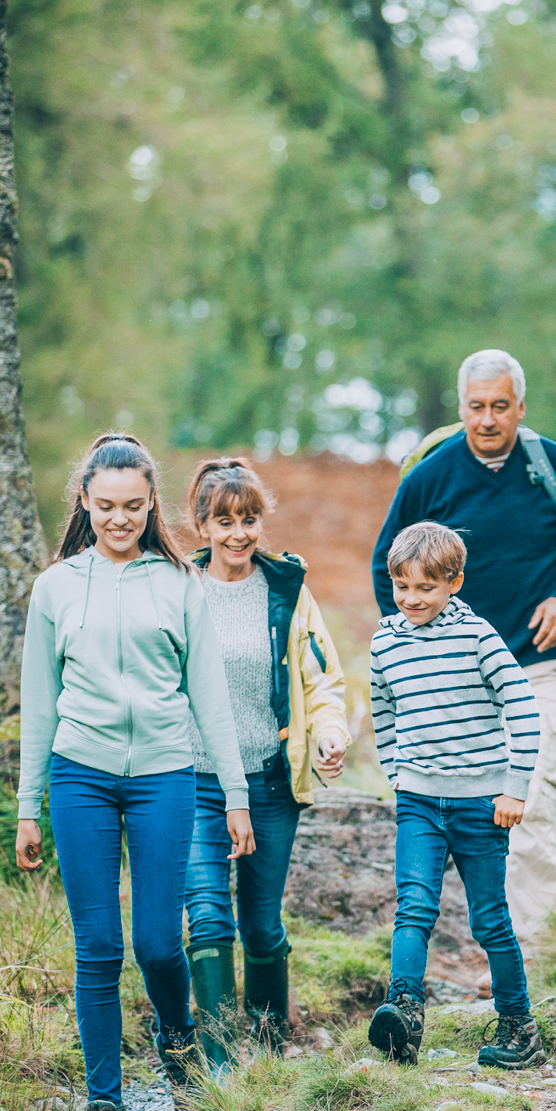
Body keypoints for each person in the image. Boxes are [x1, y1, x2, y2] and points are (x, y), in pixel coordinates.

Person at [14, 433, 253, 1111]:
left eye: (134, 506)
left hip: (163, 775)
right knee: (97, 948)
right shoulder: (55, 588)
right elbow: (39, 703)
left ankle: (175, 1035)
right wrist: (28, 805)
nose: (120, 518)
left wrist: (237, 796)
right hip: (78, 775)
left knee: (156, 943)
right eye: (107, 506)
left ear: (152, 506)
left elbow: (209, 700)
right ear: (85, 502)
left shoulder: (179, 584)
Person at [370, 349, 556, 943]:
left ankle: (527, 954)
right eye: (476, 407)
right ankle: (491, 944)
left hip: (534, 664)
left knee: (529, 797)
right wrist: (415, 645)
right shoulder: (430, 478)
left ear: (520, 407)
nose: (487, 419)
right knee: (472, 814)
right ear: (461, 408)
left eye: (500, 406)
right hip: (455, 679)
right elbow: (385, 567)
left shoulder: (551, 465)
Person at [180, 458, 350, 1071]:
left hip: (269, 782)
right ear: (201, 525)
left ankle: (271, 1053)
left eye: (248, 519)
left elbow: (323, 678)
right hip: (193, 782)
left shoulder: (287, 592)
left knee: (261, 924)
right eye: (223, 521)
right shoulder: (178, 589)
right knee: (205, 917)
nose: (238, 533)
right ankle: (226, 1067)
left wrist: (331, 732)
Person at [365, 522, 547, 1069]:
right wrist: (397, 771)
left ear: (454, 583)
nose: (411, 599)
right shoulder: (384, 642)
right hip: (419, 800)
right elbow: (383, 711)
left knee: (488, 919)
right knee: (413, 907)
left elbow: (524, 708)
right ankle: (404, 1014)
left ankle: (519, 1026)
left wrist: (513, 790)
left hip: (481, 804)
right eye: (401, 586)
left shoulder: (478, 637)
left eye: (425, 587)